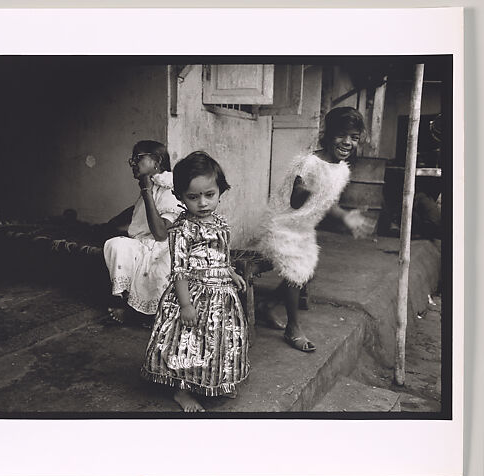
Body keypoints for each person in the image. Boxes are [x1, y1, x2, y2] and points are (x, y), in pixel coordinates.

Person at [141, 151, 249, 412]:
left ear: (220, 191)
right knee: (189, 342)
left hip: (222, 293)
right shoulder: (182, 229)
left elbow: (222, 254)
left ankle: (217, 380)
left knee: (220, 338)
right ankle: (183, 390)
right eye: (193, 197)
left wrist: (230, 272)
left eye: (209, 195)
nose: (202, 203)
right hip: (194, 293)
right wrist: (186, 304)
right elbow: (179, 270)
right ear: (180, 197)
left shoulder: (220, 223)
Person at [258, 107, 372, 352]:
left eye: (354, 137)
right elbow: (295, 203)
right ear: (328, 134)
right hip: (283, 224)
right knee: (296, 274)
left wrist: (345, 217)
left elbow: (327, 201)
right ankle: (293, 328)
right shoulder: (308, 163)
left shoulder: (342, 169)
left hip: (303, 229)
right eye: (342, 135)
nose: (348, 142)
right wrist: (305, 189)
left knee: (307, 273)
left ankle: (266, 305)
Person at [103, 141, 181, 325]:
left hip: (165, 244)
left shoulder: (171, 188)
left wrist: (146, 191)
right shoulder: (151, 186)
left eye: (138, 158)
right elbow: (140, 225)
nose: (132, 163)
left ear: (156, 161)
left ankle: (139, 313)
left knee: (160, 264)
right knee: (116, 244)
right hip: (146, 242)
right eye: (132, 159)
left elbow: (161, 234)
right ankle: (127, 303)